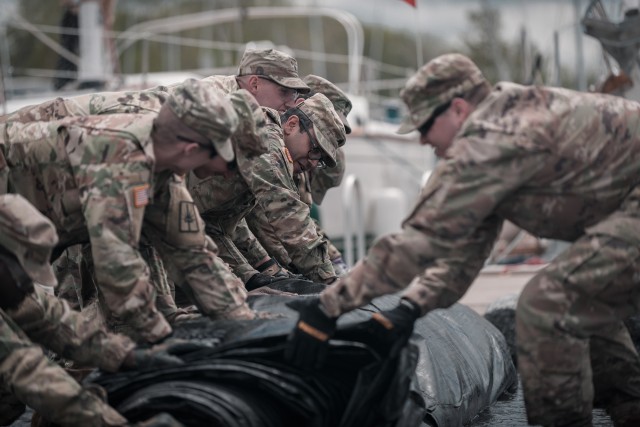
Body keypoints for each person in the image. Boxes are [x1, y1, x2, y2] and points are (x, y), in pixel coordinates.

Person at [285, 53, 640, 427]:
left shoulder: (493, 138)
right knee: (585, 302)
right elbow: (466, 253)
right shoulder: (504, 128)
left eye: (424, 126)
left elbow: (419, 242)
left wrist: (326, 309)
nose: (422, 140)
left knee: (548, 304)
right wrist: (410, 307)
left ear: (457, 109)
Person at [1, 78, 256, 344]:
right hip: (10, 225)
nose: (224, 170)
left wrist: (240, 319)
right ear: (190, 149)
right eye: (221, 156)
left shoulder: (160, 169)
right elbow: (117, 265)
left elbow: (192, 252)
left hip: (25, 232)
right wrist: (160, 337)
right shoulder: (121, 161)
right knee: (23, 343)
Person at [0, 193, 184, 427]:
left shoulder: (10, 283)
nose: (27, 285)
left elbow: (52, 321)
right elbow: (26, 370)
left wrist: (128, 354)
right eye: (24, 275)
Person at [189, 93, 346, 289]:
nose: (313, 163)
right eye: (315, 149)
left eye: (320, 159)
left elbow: (215, 223)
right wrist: (330, 282)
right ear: (291, 124)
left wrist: (254, 272)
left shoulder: (273, 155)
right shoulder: (266, 143)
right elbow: (290, 221)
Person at [244, 74, 353, 276]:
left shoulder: (297, 154)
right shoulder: (268, 139)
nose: (313, 162)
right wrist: (323, 275)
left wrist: (332, 260)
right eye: (316, 148)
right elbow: (281, 217)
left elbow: (301, 220)